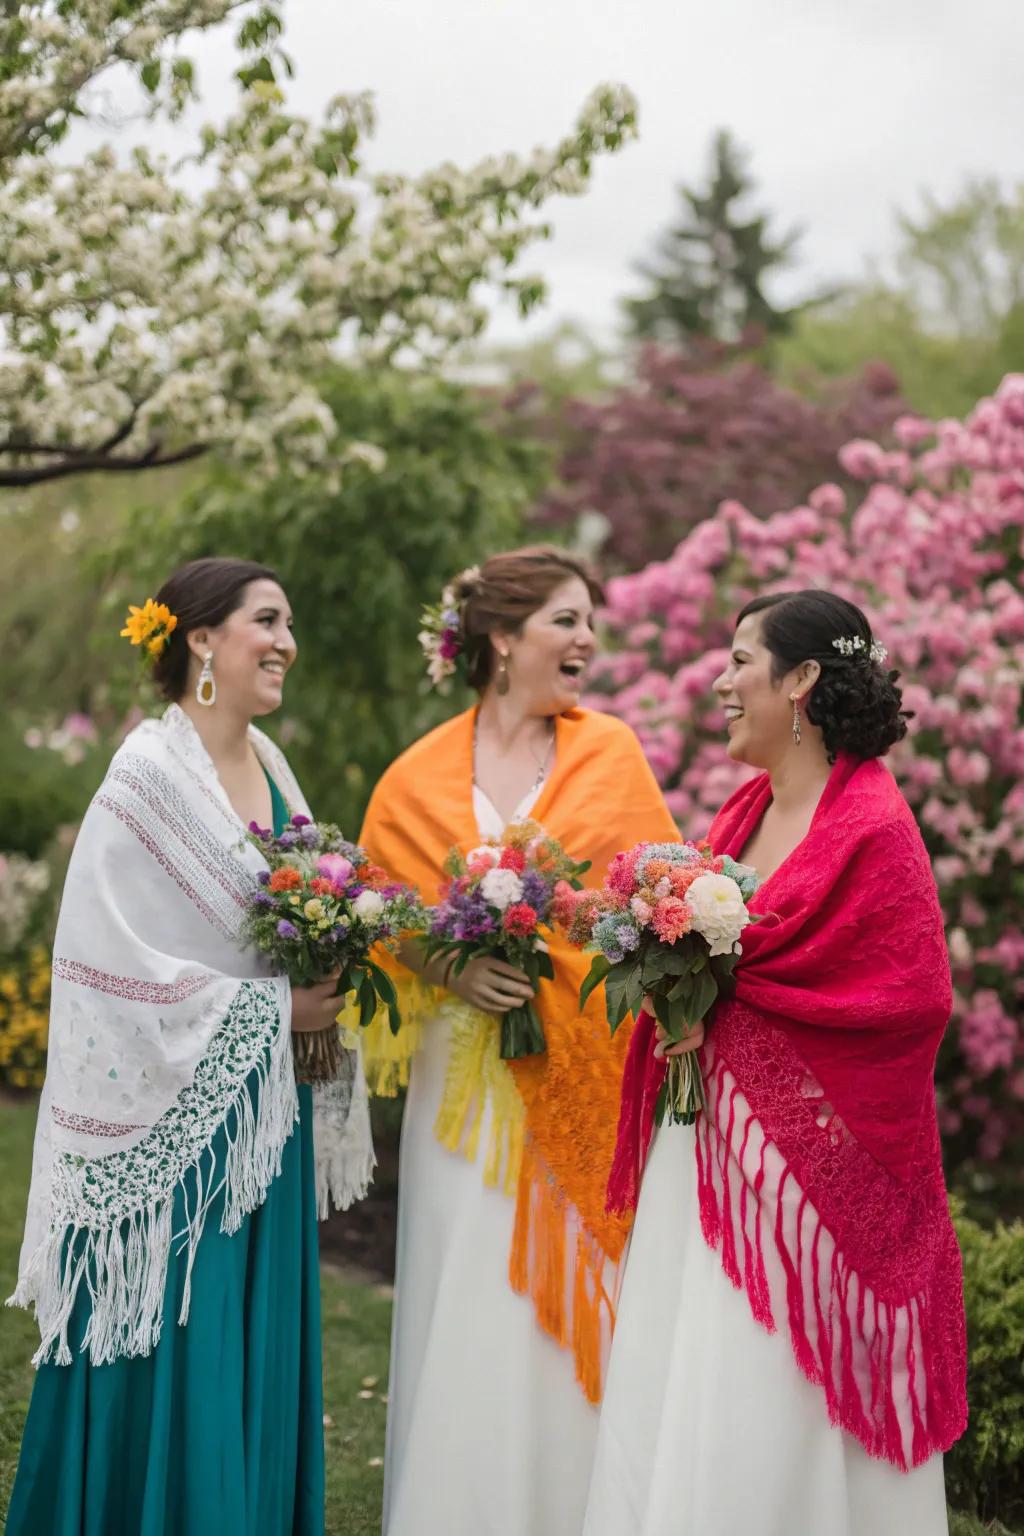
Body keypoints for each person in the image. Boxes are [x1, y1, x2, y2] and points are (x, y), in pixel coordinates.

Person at [585, 589, 967, 1536]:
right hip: (702, 1152)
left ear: (801, 682)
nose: (720, 682)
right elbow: (722, 966)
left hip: (798, 1185)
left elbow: (911, 999)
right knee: (682, 1375)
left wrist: (730, 1009)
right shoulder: (743, 810)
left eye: (741, 660)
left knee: (759, 1387)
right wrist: (685, 1000)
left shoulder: (874, 826)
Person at [7, 557, 373, 1536]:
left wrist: (327, 987)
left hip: (264, 1117)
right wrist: (270, 1013)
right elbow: (105, 960)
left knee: (251, 1355)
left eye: (289, 622)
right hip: (169, 1128)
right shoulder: (146, 777)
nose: (286, 641)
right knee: (190, 1349)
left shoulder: (275, 768)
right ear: (201, 639)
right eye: (267, 620)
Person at [354, 546, 680, 1536]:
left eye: (590, 623)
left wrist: (561, 930)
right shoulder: (415, 775)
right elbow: (385, 909)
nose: (588, 641)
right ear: (501, 639)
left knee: (566, 1295)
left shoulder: (609, 751)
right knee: (467, 1286)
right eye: (565, 622)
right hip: (463, 1087)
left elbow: (645, 901)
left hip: (579, 1063)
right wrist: (450, 964)